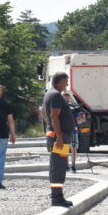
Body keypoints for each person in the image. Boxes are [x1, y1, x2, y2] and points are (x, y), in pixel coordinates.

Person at [42, 72, 75, 207]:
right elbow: (54, 116)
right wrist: (60, 137)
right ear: (59, 82)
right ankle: (57, 197)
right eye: (66, 81)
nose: (67, 84)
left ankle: (57, 195)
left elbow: (46, 115)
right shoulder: (55, 95)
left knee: (57, 166)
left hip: (56, 135)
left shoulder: (50, 94)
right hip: (59, 137)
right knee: (59, 167)